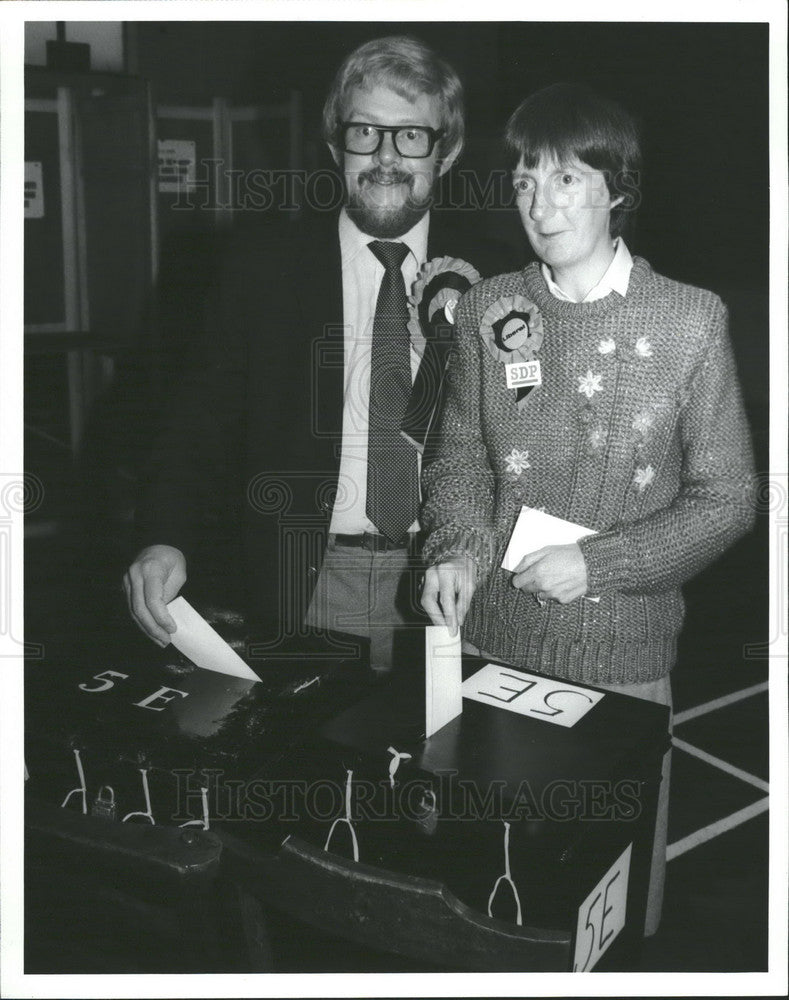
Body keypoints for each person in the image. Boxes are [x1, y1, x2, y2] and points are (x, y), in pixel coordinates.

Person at [420, 82, 755, 934]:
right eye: (526, 181)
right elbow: (459, 456)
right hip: (492, 651)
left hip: (622, 662)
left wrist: (597, 565)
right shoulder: (491, 309)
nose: (540, 202)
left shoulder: (687, 321)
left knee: (603, 909)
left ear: (616, 188)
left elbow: (728, 499)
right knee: (492, 897)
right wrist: (455, 549)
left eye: (566, 178)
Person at [124, 35, 511, 674]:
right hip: (308, 584)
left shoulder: (499, 282)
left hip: (461, 588)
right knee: (320, 769)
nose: (387, 157)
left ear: (447, 153)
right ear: (335, 144)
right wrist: (163, 538)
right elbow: (196, 427)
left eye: (413, 135)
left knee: (452, 768)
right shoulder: (258, 270)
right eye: (365, 132)